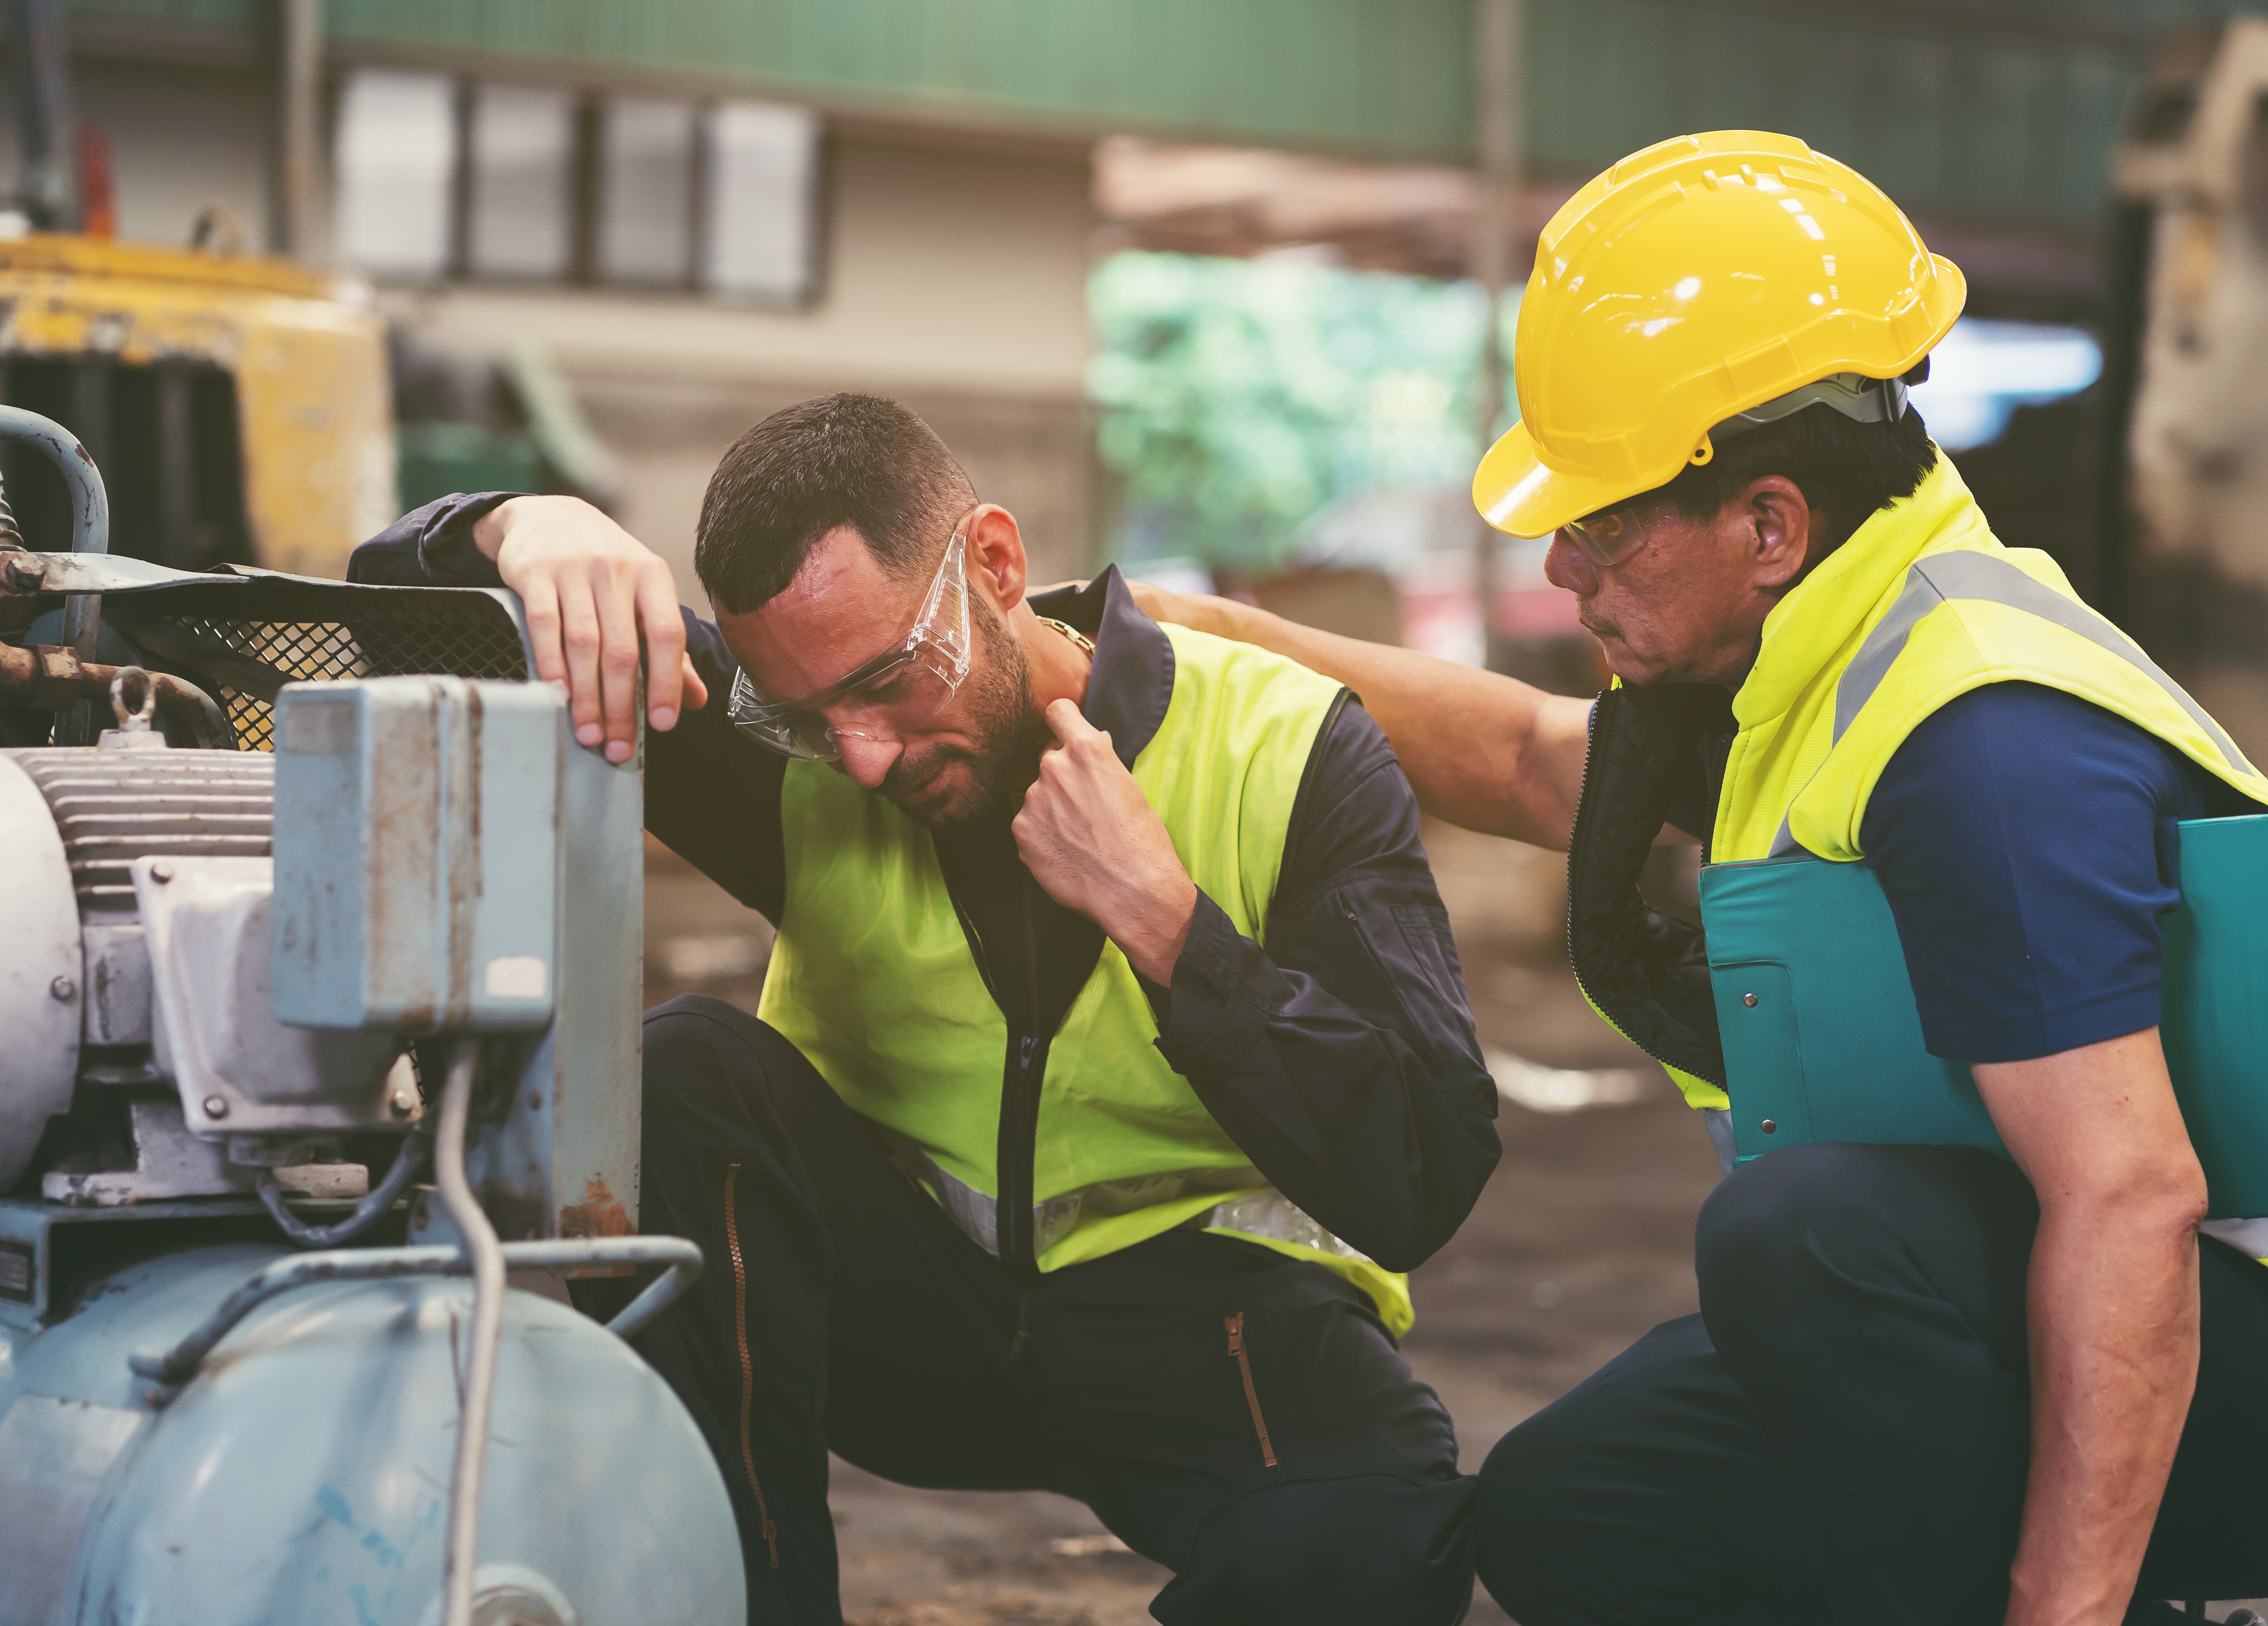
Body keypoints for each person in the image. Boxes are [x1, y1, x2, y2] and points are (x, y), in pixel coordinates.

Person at [1124, 131, 2268, 1624]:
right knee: (1571, 1514)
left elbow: (2129, 1196)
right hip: (2111, 1281)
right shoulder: (1822, 648)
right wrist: (1194, 639)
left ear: (1770, 523)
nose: (1561, 573)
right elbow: (1544, 767)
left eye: (1597, 525)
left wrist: (2066, 1608)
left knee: (1806, 1237)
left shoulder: (1983, 741)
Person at [350, 393, 1497, 1626]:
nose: (858, 758)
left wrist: (1170, 928)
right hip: (901, 1324)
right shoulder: (791, 733)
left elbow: (1419, 1176)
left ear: (996, 566)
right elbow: (386, 626)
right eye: (807, 715)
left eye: (888, 683)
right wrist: (514, 528)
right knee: (691, 1070)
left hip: (1207, 1328)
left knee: (1376, 1545)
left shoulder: (1285, 748)